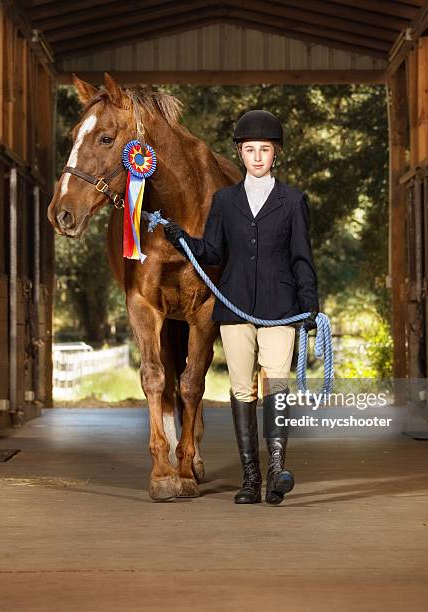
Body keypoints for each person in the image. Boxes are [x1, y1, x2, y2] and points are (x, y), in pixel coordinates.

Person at [164, 110, 320, 505]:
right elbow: (213, 251)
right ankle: (250, 478)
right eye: (249, 150)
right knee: (239, 389)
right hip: (234, 308)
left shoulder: (294, 201)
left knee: (277, 382)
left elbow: (302, 257)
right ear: (240, 152)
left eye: (264, 150)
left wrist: (310, 307)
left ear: (275, 154)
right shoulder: (225, 201)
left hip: (280, 306)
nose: (256, 157)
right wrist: (183, 239)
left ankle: (277, 470)